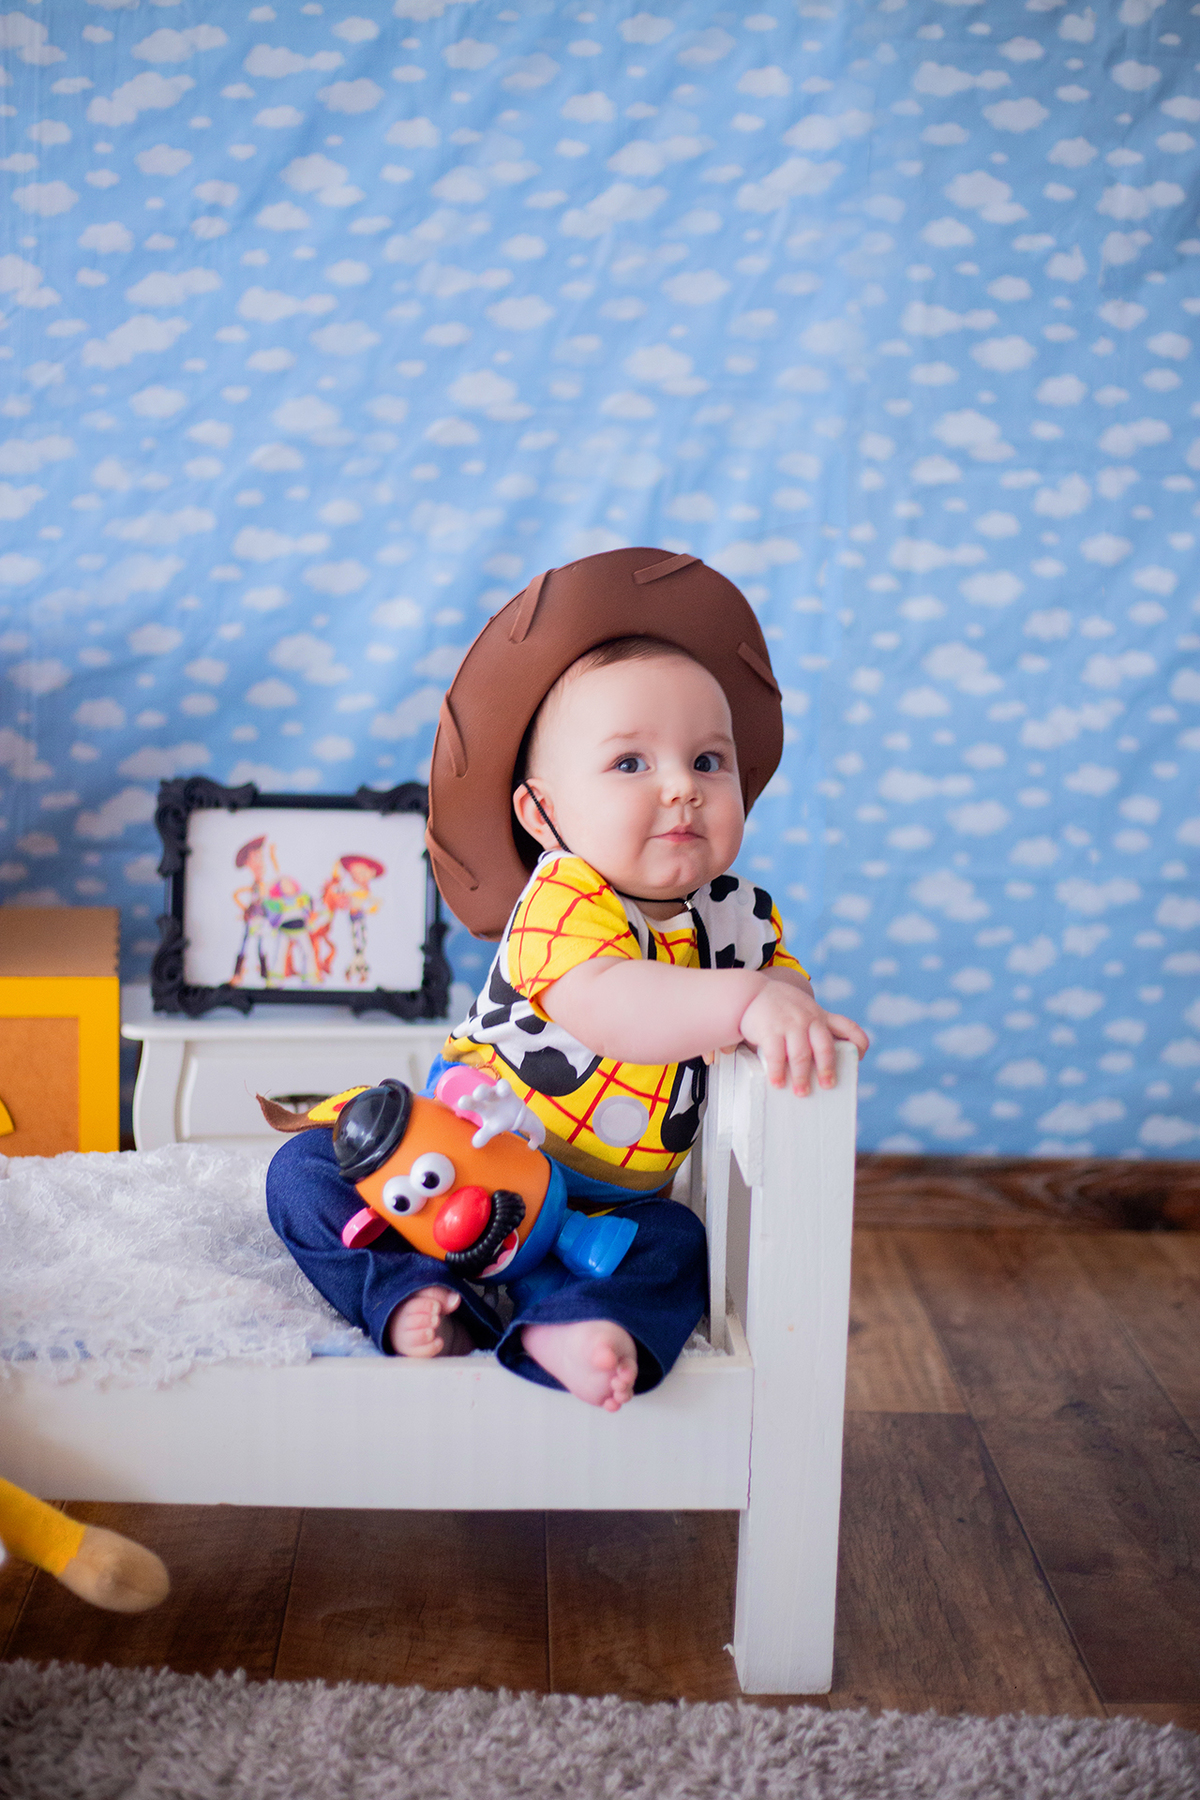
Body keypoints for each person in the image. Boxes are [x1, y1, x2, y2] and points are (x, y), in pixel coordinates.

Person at [266, 548, 868, 1412]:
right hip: (457, 1166)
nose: (681, 790)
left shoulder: (742, 921)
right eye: (631, 764)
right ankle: (406, 1295)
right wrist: (748, 1001)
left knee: (675, 1247)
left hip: (603, 1209)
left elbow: (785, 999)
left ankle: (574, 1321)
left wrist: (789, 1007)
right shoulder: (562, 899)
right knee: (304, 1174)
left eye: (708, 761)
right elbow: (614, 1005)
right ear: (541, 815)